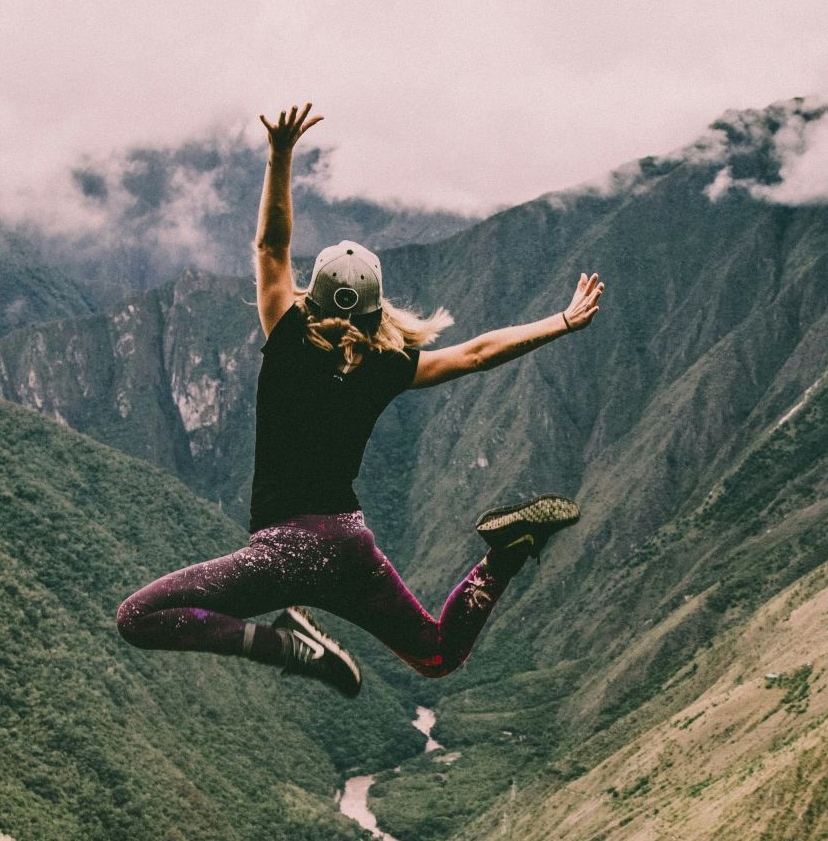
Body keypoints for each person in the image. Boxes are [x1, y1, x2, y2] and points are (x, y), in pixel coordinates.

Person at [116, 101, 605, 696]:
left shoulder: (289, 337)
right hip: (349, 546)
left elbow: (272, 246)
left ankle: (285, 646)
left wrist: (280, 154)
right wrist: (560, 320)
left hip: (284, 553)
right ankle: (503, 556)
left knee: (138, 618)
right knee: (436, 654)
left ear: (310, 297)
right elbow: (477, 353)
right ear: (378, 309)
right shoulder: (386, 365)